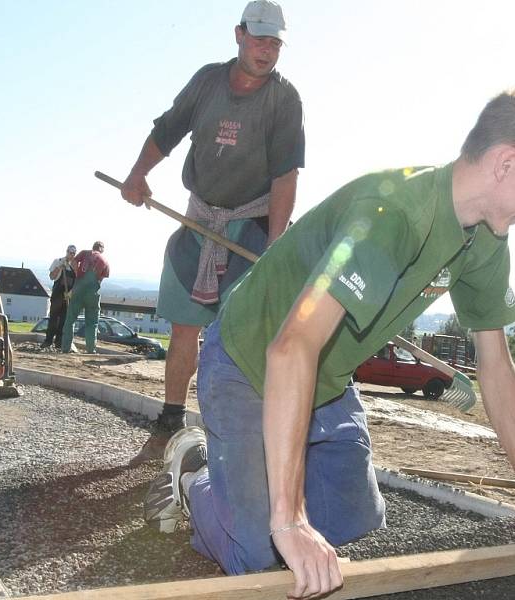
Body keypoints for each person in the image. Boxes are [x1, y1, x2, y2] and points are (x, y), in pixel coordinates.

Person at [144, 85, 515, 598]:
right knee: (262, 553)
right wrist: (288, 521)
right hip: (246, 360)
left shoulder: (486, 240)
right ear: (507, 162)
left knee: (354, 521)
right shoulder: (389, 214)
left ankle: (265, 480)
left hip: (323, 377)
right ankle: (195, 477)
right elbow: (290, 348)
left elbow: (496, 365)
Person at [121, 0, 305, 467]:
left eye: (276, 44)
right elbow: (168, 130)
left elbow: (286, 177)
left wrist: (276, 245)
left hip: (252, 227)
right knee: (185, 327)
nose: (267, 51)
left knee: (239, 333)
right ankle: (169, 420)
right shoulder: (207, 81)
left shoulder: (284, 100)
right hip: (198, 220)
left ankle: (233, 437)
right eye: (260, 39)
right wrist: (138, 174)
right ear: (239, 34)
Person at [61, 241, 110, 354]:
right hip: (92, 295)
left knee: (70, 320)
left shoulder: (84, 253)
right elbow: (100, 280)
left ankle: (65, 348)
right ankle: (90, 350)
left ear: (93, 247)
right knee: (92, 323)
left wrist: (77, 272)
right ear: (102, 249)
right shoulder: (105, 261)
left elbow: (73, 262)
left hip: (78, 292)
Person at [41, 244, 77, 350]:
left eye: (73, 253)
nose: (71, 255)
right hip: (57, 294)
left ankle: (59, 342)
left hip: (68, 295)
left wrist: (71, 292)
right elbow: (52, 276)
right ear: (66, 252)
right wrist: (59, 267)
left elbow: (77, 280)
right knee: (53, 318)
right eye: (70, 252)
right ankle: (48, 341)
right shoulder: (58, 261)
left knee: (64, 320)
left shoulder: (75, 265)